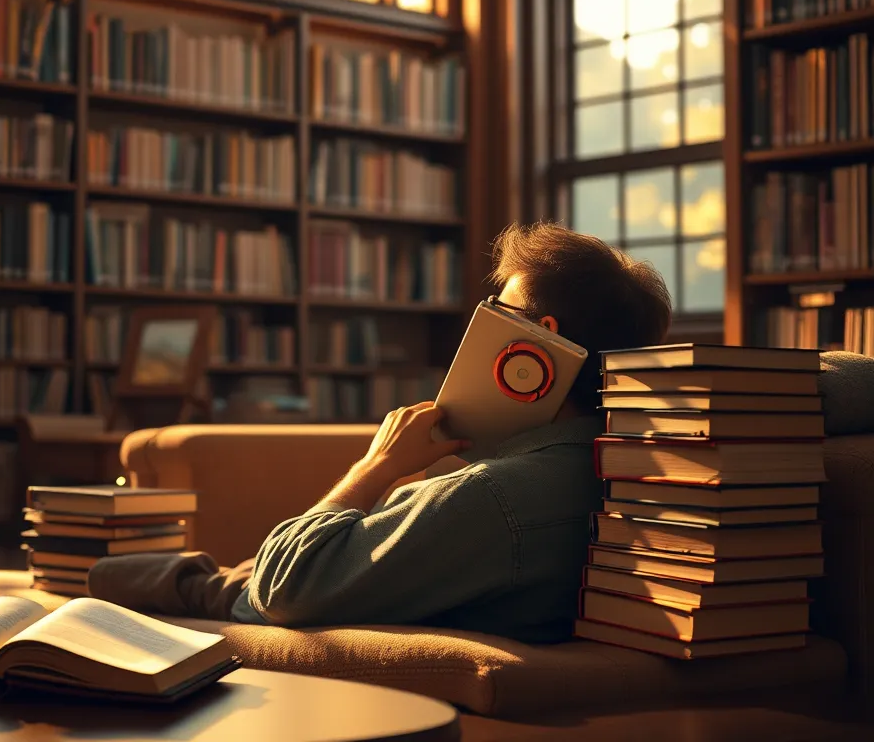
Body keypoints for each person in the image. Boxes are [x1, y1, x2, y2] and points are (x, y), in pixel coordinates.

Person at [89, 222, 672, 642]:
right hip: (357, 575)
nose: (483, 324)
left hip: (254, 600)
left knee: (116, 583)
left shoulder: (495, 495)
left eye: (500, 311)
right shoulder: (640, 474)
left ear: (538, 345)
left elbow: (284, 589)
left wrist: (378, 465)